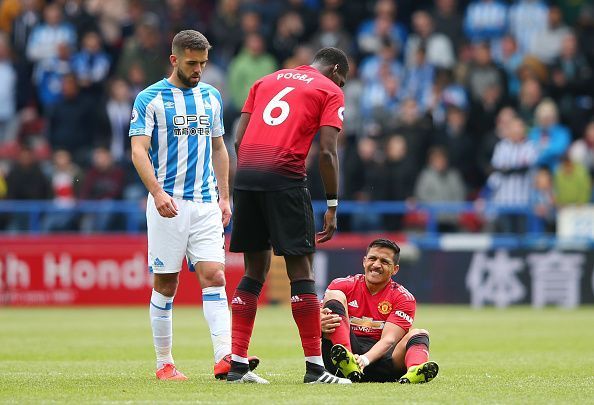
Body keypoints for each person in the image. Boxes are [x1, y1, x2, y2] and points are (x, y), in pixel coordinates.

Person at [129, 30, 258, 382]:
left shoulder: (212, 97)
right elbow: (139, 149)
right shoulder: (150, 98)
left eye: (203, 62)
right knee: (166, 284)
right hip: (168, 203)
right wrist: (156, 192)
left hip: (205, 204)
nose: (199, 69)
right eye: (191, 63)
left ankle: (224, 359)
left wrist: (225, 195)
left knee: (215, 276)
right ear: (174, 60)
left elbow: (219, 148)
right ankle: (164, 363)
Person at [227, 47, 351, 384]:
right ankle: (315, 369)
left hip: (247, 177)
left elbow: (238, 140)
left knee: (254, 270)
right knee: (302, 270)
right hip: (285, 178)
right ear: (336, 68)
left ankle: (237, 365)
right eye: (343, 78)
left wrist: (253, 176)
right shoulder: (329, 89)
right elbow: (327, 151)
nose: (343, 84)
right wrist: (333, 204)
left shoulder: (265, 80)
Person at [320, 238, 439, 383]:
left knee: (420, 333)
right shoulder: (342, 285)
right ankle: (347, 361)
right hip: (340, 361)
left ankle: (414, 371)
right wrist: (318, 322)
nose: (376, 265)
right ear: (364, 261)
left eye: (384, 261)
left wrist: (364, 359)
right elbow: (317, 322)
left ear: (395, 269)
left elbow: (389, 340)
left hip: (381, 363)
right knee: (334, 295)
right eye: (372, 258)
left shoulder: (404, 298)